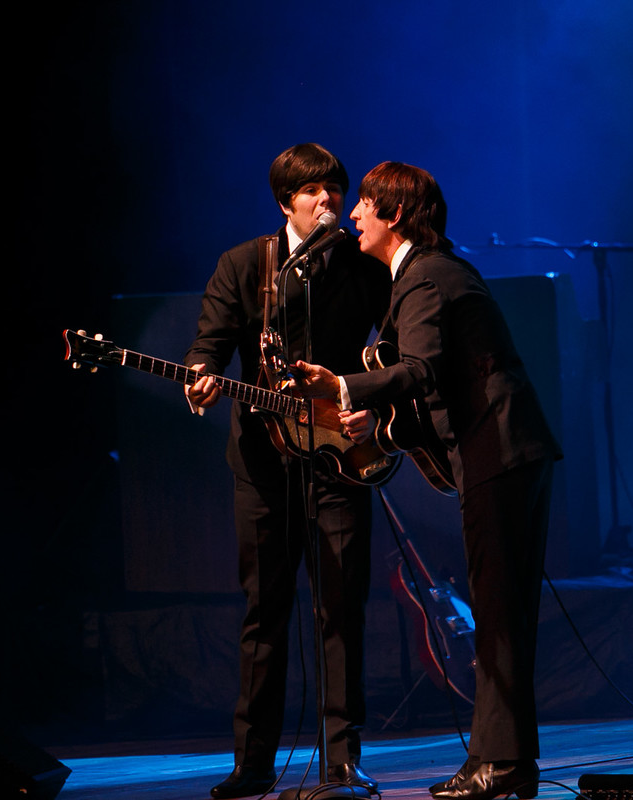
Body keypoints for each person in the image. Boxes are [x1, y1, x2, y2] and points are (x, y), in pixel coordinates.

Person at [295, 162, 561, 800]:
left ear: (393, 214)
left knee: (498, 616)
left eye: (363, 204)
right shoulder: (427, 276)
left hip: (498, 455)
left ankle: (496, 763)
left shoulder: (426, 278)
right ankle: (508, 762)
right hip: (505, 453)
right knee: (504, 614)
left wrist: (338, 385)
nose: (352, 214)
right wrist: (378, 433)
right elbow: (440, 385)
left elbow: (417, 370)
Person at [184, 143, 391, 799]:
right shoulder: (247, 264)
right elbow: (210, 345)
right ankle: (252, 763)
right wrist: (200, 378)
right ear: (285, 202)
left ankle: (341, 761)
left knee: (340, 608)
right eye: (313, 191)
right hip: (263, 463)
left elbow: (399, 348)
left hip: (339, 458)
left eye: (334, 188)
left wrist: (367, 410)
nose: (328, 199)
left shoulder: (363, 265)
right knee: (264, 611)